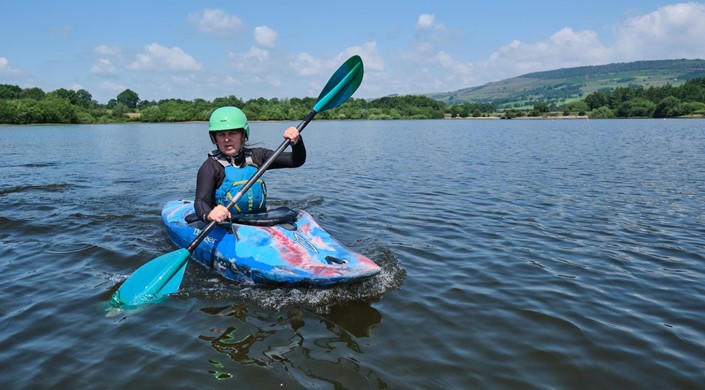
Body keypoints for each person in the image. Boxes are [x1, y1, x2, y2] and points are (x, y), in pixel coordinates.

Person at [194, 106, 305, 223]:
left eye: (232, 133)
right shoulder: (210, 167)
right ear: (215, 138)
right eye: (221, 134)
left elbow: (296, 160)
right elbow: (201, 201)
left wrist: (297, 142)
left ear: (243, 135)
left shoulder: (258, 156)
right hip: (227, 223)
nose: (227, 139)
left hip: (260, 218)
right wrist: (209, 215)